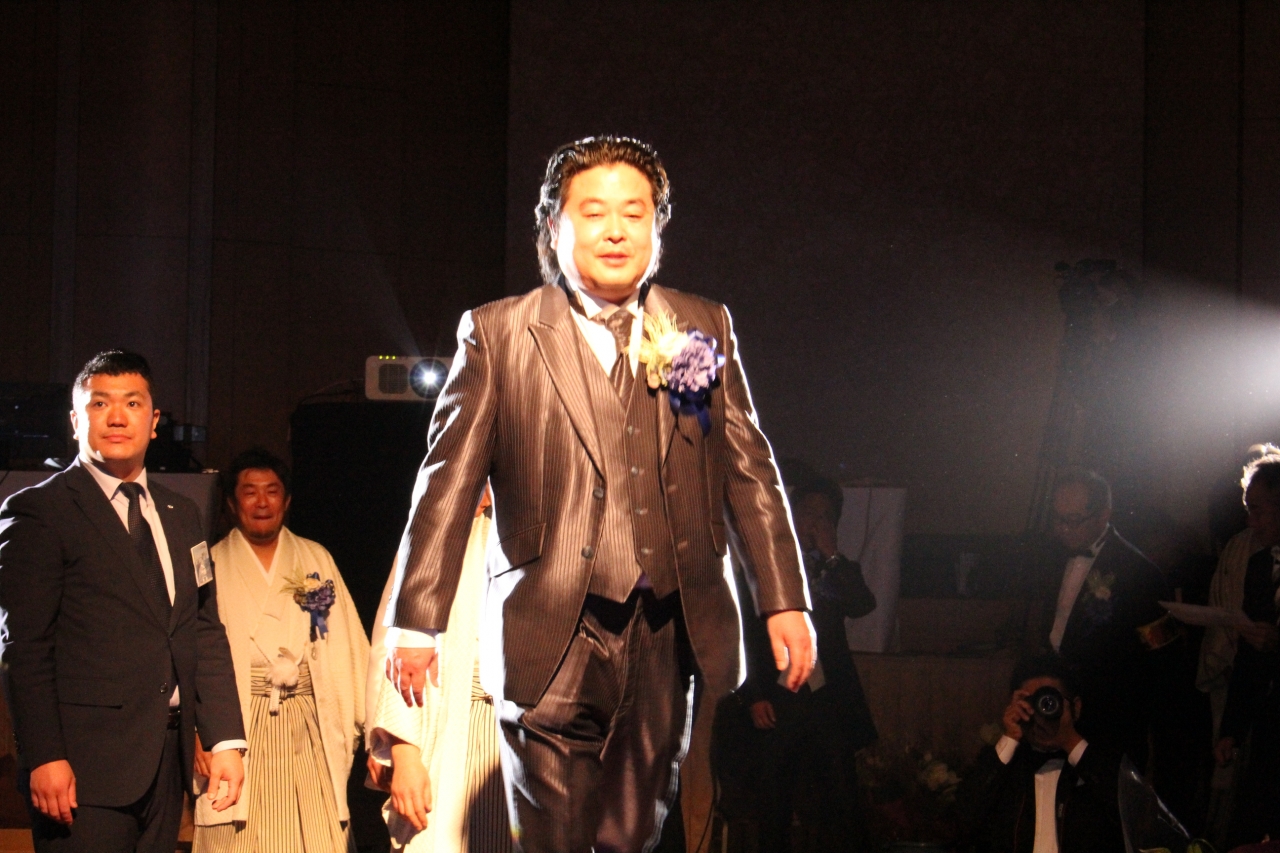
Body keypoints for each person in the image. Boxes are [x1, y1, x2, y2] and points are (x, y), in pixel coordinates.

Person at [383, 136, 814, 853]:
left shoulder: (696, 329)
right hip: (550, 623)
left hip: (666, 627)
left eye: (634, 213)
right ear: (554, 228)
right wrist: (416, 623)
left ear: (657, 229)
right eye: (594, 212)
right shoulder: (501, 333)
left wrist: (784, 597)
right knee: (551, 831)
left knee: (633, 831)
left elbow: (745, 465)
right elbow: (446, 482)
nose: (616, 230)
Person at [0, 350, 245, 853]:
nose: (116, 417)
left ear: (153, 422)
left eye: (132, 403)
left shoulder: (181, 514)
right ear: (76, 421)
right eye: (99, 404)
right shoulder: (40, 511)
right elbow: (24, 648)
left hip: (166, 763)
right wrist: (43, 755)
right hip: (79, 770)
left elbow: (201, 628)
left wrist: (224, 738)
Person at [192, 448, 368, 853]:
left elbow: (348, 647)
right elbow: (190, 651)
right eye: (250, 492)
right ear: (232, 503)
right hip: (236, 720)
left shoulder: (315, 557)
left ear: (286, 501)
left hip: (307, 720)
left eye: (272, 492)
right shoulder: (210, 562)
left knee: (317, 833)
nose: (262, 502)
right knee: (236, 833)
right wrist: (199, 733)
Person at [365, 488, 510, 853]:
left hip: (526, 731)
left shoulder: (550, 526)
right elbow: (398, 644)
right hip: (449, 722)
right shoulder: (437, 532)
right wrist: (400, 749)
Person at [738, 474, 876, 852]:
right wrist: (753, 694)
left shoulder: (837, 568)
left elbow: (862, 605)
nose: (815, 522)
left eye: (825, 515)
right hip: (777, 698)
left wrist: (831, 555)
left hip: (828, 700)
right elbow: (745, 634)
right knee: (774, 803)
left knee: (842, 801)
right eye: (808, 512)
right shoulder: (765, 563)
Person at [1026, 468, 1176, 766]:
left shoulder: (1138, 572)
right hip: (1056, 707)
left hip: (1110, 719)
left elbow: (1162, 662)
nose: (1063, 529)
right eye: (1057, 519)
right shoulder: (1050, 557)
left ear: (1103, 515)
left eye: (1073, 520)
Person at [957, 654, 1124, 853]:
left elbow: (1132, 815)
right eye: (1032, 702)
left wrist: (1070, 740)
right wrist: (1011, 736)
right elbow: (963, 822)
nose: (1041, 711)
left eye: (1051, 701)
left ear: (1075, 707)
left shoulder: (1101, 762)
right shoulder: (1003, 765)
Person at [1215, 454, 1280, 846]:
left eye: (1258, 511)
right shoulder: (1258, 565)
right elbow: (1249, 653)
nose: (1251, 522)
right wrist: (1231, 730)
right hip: (1267, 726)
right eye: (1248, 511)